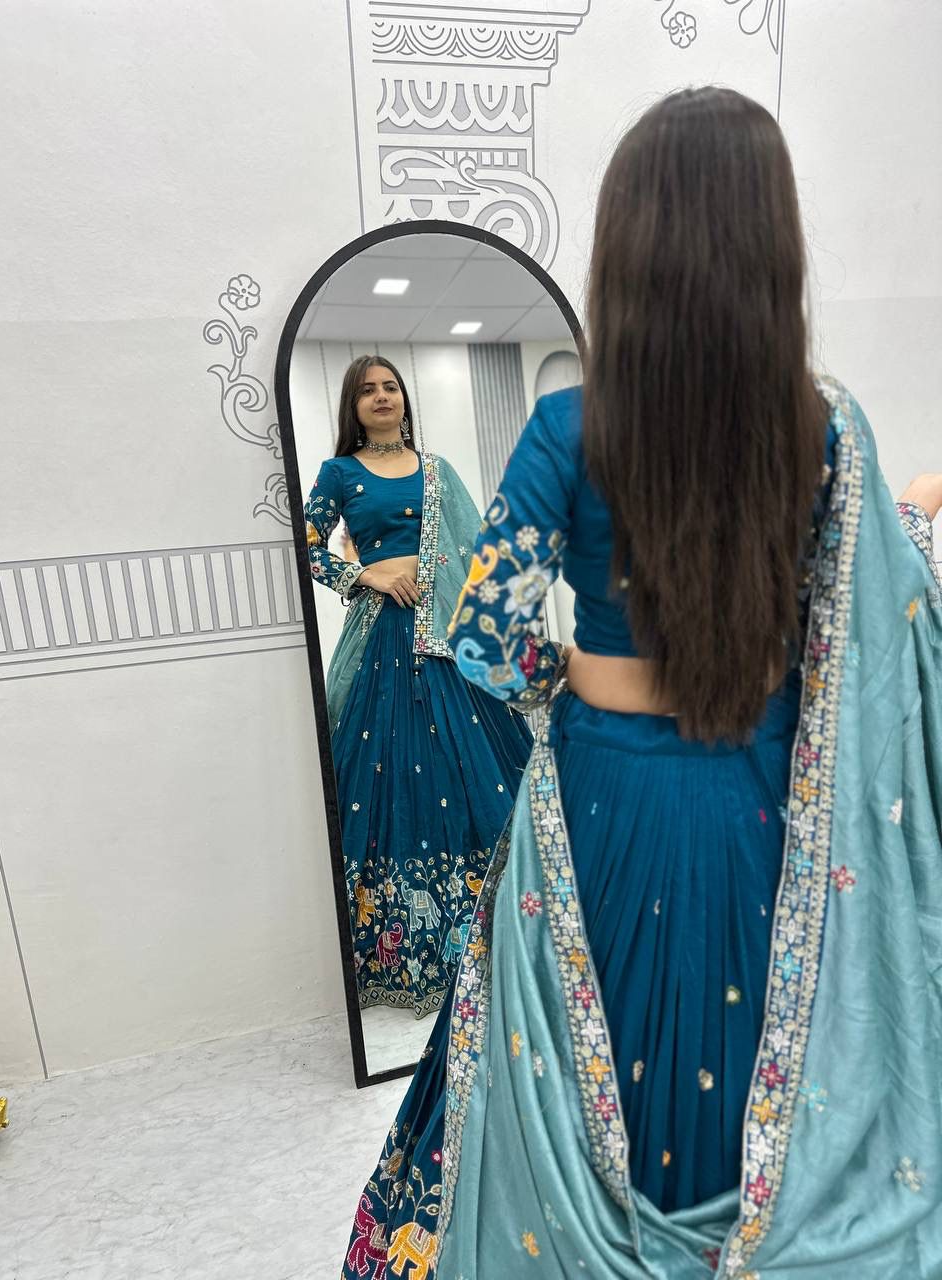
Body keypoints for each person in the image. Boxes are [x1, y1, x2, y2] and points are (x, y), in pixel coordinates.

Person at [340, 88, 941, 1278]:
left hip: (600, 795)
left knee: (589, 1061)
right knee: (775, 1048)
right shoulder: (827, 430)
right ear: (774, 248)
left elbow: (484, 637)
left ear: (626, 250)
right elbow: (878, 619)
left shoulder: (570, 426)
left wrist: (568, 668)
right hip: (773, 798)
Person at [305, 356, 532, 1018]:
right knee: (394, 775)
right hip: (382, 639)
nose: (381, 397)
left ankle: (500, 933)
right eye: (367, 390)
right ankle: (406, 948)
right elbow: (306, 545)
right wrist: (364, 574)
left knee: (470, 772)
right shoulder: (339, 474)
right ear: (353, 406)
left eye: (390, 387)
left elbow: (480, 554)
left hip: (447, 638)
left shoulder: (437, 471)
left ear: (404, 398)